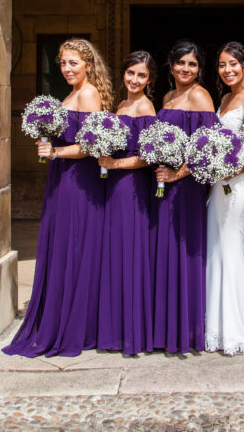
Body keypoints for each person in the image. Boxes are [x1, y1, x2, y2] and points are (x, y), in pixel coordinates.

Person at [3, 38, 113, 358]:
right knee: (63, 244)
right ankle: (62, 314)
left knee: (75, 245)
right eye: (62, 63)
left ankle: (75, 322)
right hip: (61, 178)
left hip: (79, 181)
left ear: (89, 66)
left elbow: (93, 144)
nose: (66, 69)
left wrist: (57, 151)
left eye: (73, 63)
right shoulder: (69, 95)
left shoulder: (89, 93)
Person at [152, 40, 217, 353]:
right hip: (164, 184)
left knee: (186, 250)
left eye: (192, 64)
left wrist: (179, 173)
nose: (186, 69)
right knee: (165, 249)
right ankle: (166, 325)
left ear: (198, 68)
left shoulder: (200, 96)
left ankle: (188, 329)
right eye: (181, 63)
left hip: (187, 185)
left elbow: (210, 144)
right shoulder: (166, 97)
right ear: (171, 65)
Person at [205, 41, 244, 354]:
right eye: (222, 65)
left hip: (238, 182)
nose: (227, 70)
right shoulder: (225, 97)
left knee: (230, 249)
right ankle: (216, 325)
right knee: (217, 249)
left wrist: (228, 171)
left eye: (233, 64)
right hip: (218, 183)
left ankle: (238, 329)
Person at [96, 51, 158, 355]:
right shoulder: (120, 105)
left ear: (149, 79)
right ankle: (114, 328)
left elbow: (149, 156)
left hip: (132, 187)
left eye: (141, 75)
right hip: (113, 187)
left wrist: (115, 165)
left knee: (132, 252)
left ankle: (133, 331)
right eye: (131, 73)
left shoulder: (146, 107)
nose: (134, 80)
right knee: (115, 252)